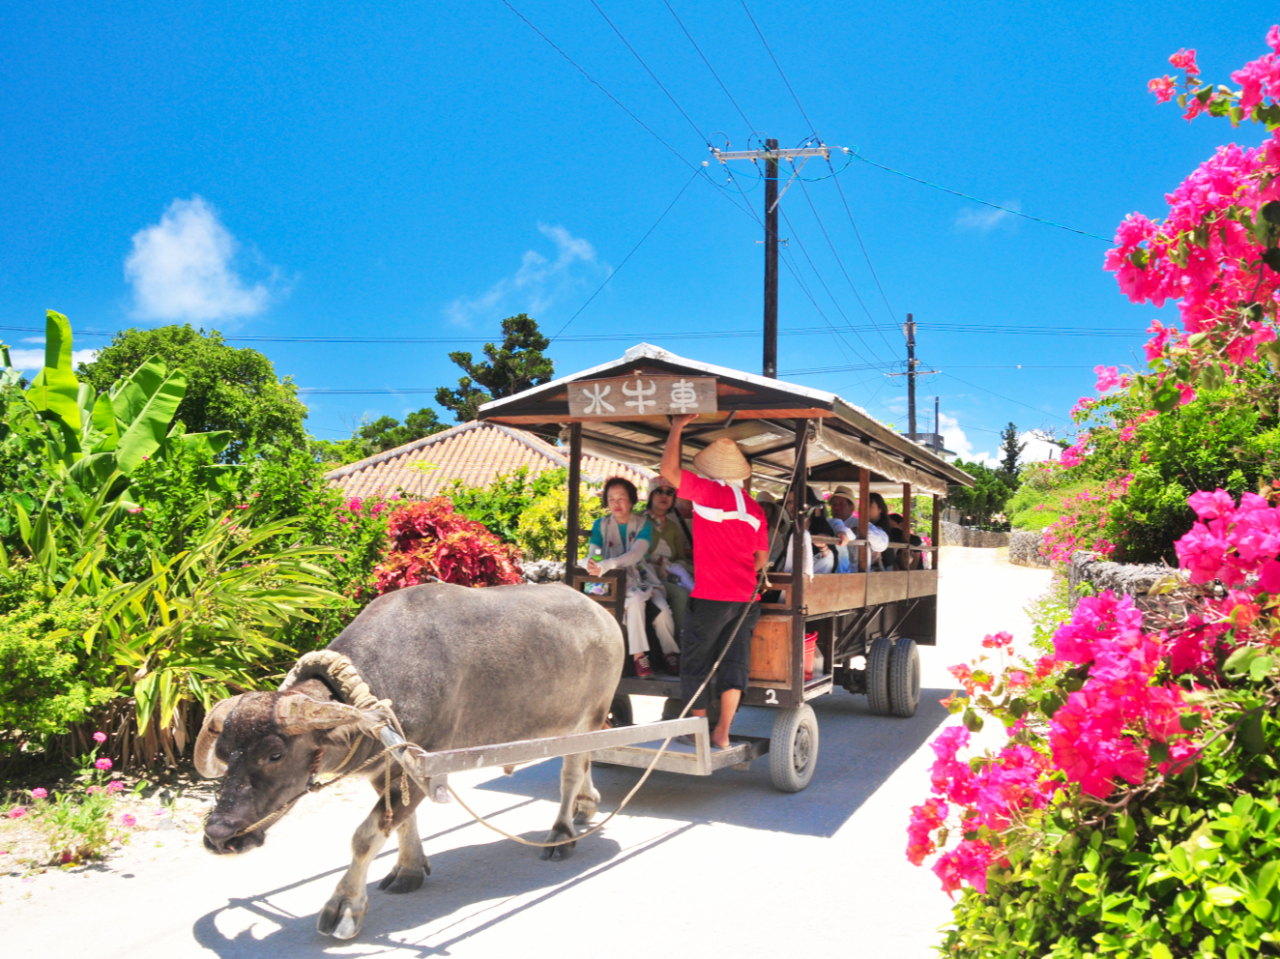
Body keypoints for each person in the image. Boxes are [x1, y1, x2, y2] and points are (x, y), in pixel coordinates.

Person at [660, 416, 769, 751]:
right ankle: (722, 731)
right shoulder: (754, 509)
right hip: (745, 598)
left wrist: (677, 427)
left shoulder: (706, 493)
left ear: (710, 471)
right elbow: (761, 558)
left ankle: (697, 730)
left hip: (711, 597)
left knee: (696, 661)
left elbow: (668, 471)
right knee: (734, 662)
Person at [585, 477, 679, 678]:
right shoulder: (601, 525)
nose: (616, 504)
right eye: (611, 499)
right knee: (635, 601)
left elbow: (636, 554)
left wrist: (608, 563)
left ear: (632, 501)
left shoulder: (644, 525)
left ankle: (670, 653)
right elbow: (595, 552)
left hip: (642, 577)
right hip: (608, 581)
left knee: (663, 610)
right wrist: (592, 562)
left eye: (621, 498)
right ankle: (639, 656)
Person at [644, 477, 694, 644]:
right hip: (645, 575)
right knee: (680, 595)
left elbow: (680, 556)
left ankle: (685, 644)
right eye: (659, 491)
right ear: (650, 495)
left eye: (669, 492)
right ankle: (675, 648)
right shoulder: (639, 520)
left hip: (669, 575)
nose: (664, 496)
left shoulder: (672, 526)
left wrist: (674, 567)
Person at [827, 484, 889, 572]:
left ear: (852, 507)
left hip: (858, 577)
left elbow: (883, 543)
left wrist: (859, 531)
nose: (836, 508)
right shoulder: (828, 523)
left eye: (841, 504)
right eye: (834, 504)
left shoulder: (860, 523)